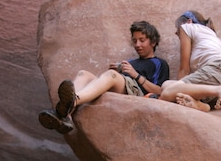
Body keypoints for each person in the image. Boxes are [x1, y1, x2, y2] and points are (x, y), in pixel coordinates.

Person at [38, 20, 170, 133]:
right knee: (83, 74)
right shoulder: (131, 61)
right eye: (134, 41)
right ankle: (67, 117)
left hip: (138, 94)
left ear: (153, 42)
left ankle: (72, 102)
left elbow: (161, 91)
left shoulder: (159, 63)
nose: (137, 45)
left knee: (111, 75)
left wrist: (134, 74)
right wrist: (117, 72)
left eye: (142, 40)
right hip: (121, 88)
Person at [158, 10, 221, 112]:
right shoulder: (210, 34)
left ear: (189, 21)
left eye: (177, 28)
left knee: (167, 92)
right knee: (166, 85)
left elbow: (184, 69)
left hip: (218, 71)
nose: (176, 32)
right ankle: (203, 106)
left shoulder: (187, 27)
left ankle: (220, 89)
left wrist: (175, 92)